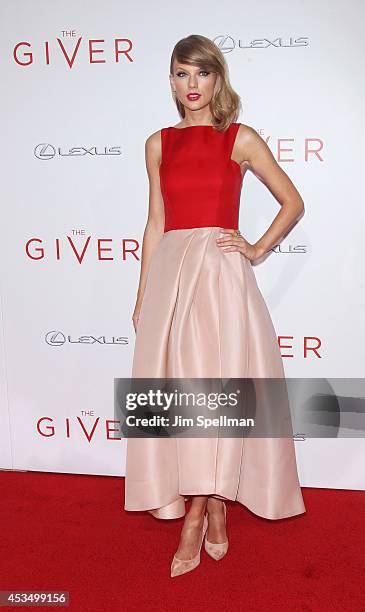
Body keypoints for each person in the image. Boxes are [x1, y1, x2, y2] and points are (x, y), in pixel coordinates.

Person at [124, 34, 306, 578]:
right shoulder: (158, 143)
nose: (192, 86)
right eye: (181, 74)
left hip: (222, 276)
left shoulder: (239, 137)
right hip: (173, 276)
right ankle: (216, 504)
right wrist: (142, 293)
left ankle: (197, 517)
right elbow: (156, 222)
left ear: (217, 78)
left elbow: (292, 201)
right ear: (171, 81)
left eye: (201, 74)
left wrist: (254, 248)